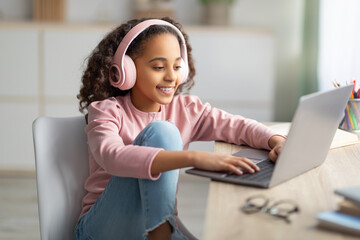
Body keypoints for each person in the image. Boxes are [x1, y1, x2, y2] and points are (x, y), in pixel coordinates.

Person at [75, 17, 285, 240]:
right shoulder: (107, 111)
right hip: (101, 230)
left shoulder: (186, 110)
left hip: (153, 227)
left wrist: (275, 140)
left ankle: (162, 231)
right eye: (158, 67)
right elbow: (112, 157)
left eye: (176, 66)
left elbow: (236, 126)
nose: (171, 76)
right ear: (126, 70)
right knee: (163, 132)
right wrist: (194, 158)